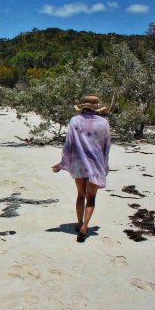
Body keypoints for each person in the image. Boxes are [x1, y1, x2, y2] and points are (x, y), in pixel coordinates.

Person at [52, 95, 111, 243]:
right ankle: (85, 227)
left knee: (80, 195)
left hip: (78, 163)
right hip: (95, 163)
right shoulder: (104, 123)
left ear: (82, 107)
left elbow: (69, 143)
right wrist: (104, 166)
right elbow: (106, 146)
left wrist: (63, 163)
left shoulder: (75, 121)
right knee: (91, 198)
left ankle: (79, 223)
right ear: (97, 107)